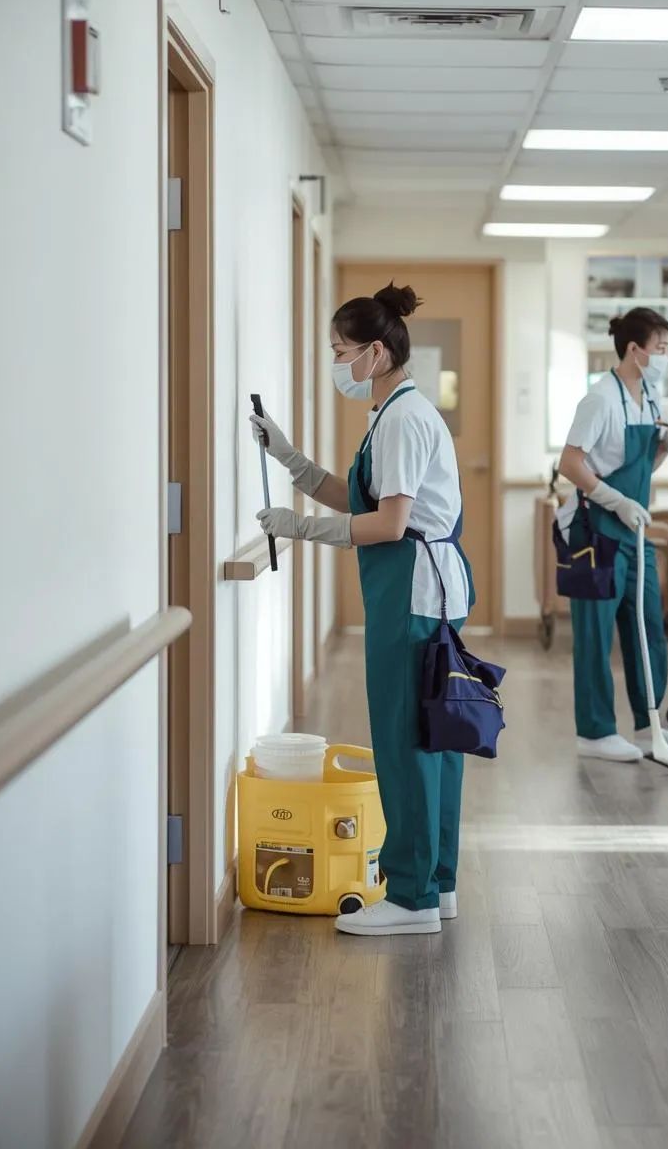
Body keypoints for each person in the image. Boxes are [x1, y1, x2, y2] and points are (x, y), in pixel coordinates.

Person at [250, 282, 472, 937]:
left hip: (413, 594)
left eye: (341, 351)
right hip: (420, 593)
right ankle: (437, 884)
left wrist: (298, 528)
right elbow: (355, 499)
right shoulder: (391, 412)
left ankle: (410, 899)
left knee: (407, 744)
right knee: (434, 741)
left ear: (376, 352)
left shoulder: (403, 418)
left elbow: (389, 524)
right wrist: (287, 456)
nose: (336, 363)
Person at [556, 307, 668, 765]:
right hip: (595, 530)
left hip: (633, 531)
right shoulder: (599, 399)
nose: (665, 356)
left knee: (648, 631)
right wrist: (615, 501)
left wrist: (667, 445)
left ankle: (649, 725)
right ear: (635, 350)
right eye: (660, 348)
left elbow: (644, 464)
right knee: (596, 634)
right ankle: (595, 732)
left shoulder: (650, 396)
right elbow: (571, 462)